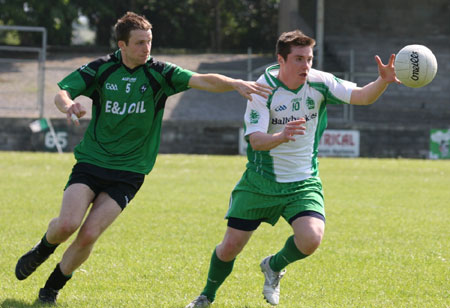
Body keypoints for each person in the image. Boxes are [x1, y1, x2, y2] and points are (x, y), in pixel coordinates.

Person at [14, 11, 272, 304]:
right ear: (122, 45)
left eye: (149, 41)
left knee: (88, 235)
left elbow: (202, 80)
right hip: (92, 161)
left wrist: (234, 83)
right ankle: (42, 249)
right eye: (139, 43)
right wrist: (69, 105)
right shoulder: (102, 69)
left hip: (130, 171)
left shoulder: (159, 73)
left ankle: (51, 288)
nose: (146, 48)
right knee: (67, 224)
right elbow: (63, 91)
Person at [185, 29, 400, 307]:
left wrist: (382, 82)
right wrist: (280, 137)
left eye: (309, 58)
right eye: (299, 59)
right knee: (229, 249)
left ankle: (273, 266)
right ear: (281, 60)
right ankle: (206, 296)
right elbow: (255, 140)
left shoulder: (320, 82)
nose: (306, 65)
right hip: (260, 182)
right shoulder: (263, 88)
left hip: (303, 182)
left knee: (311, 239)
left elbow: (361, 96)